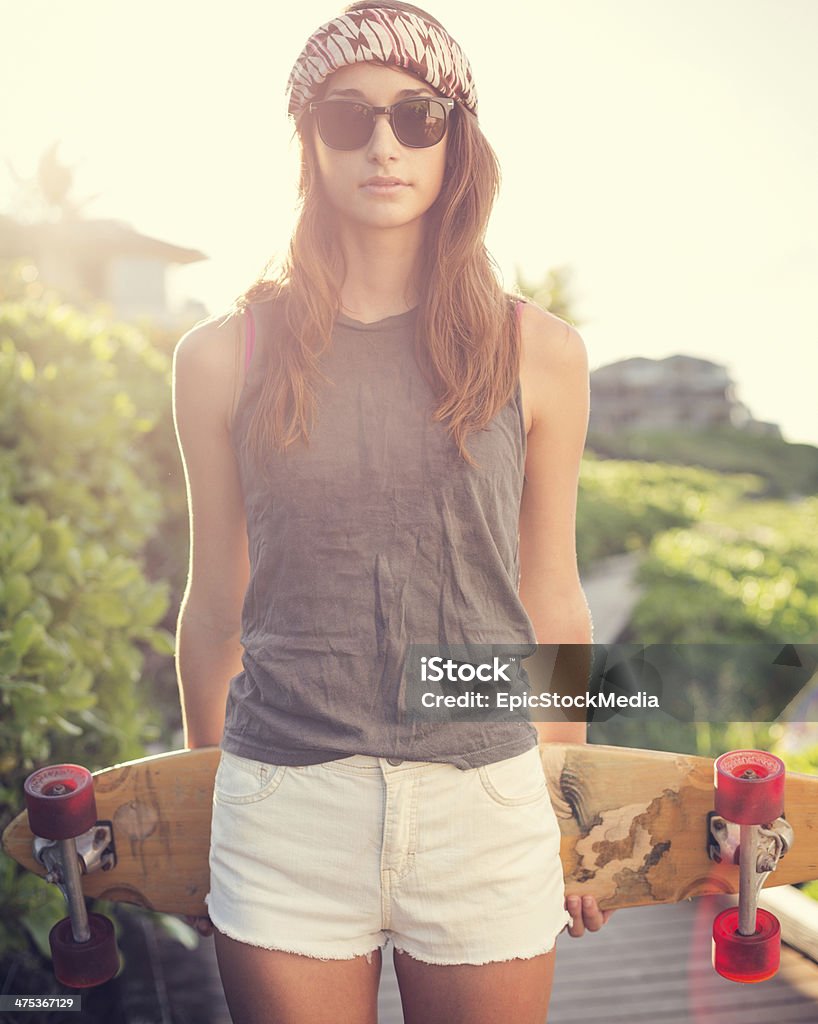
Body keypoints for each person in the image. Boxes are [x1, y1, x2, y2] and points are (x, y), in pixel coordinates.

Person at [172, 3, 610, 1021]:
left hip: (485, 804)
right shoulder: (217, 356)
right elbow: (213, 604)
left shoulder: (537, 351)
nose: (382, 143)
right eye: (346, 117)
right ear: (306, 138)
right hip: (282, 808)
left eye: (417, 116)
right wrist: (197, 807)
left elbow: (551, 596)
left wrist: (572, 809)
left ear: (456, 138)